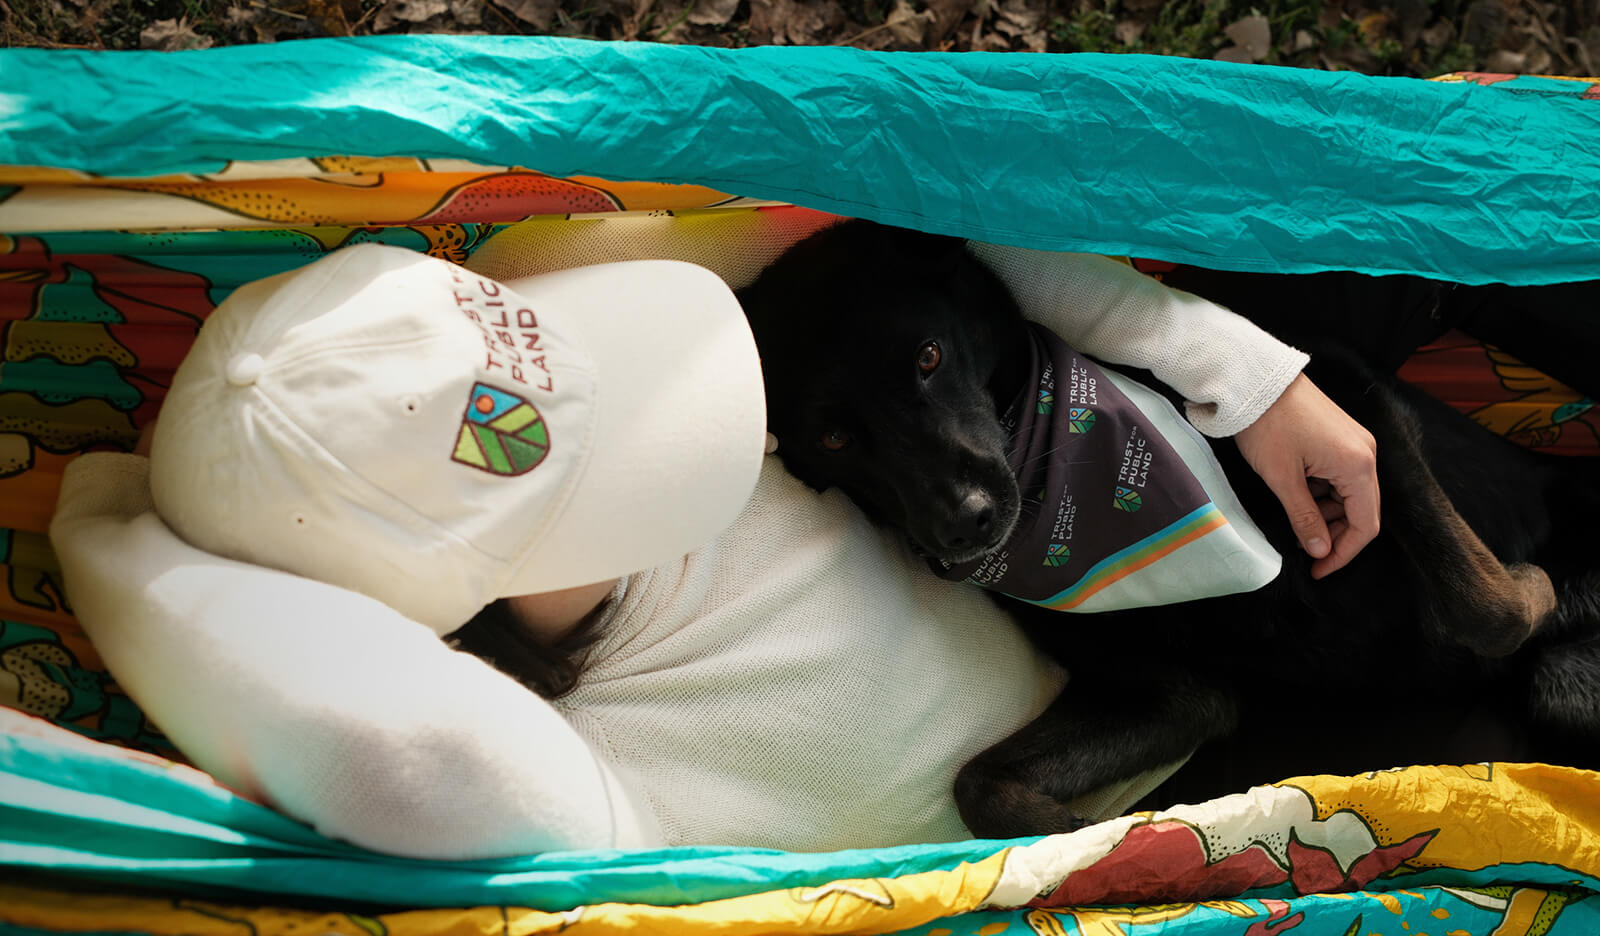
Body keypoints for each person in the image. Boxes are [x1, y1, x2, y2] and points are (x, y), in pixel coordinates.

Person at [49, 235, 1380, 860]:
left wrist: (1247, 377)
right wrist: (111, 533)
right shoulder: (546, 765)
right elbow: (391, 756)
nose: (636, 422)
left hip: (1187, 622)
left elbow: (923, 223)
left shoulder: (612, 313)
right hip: (1177, 817)